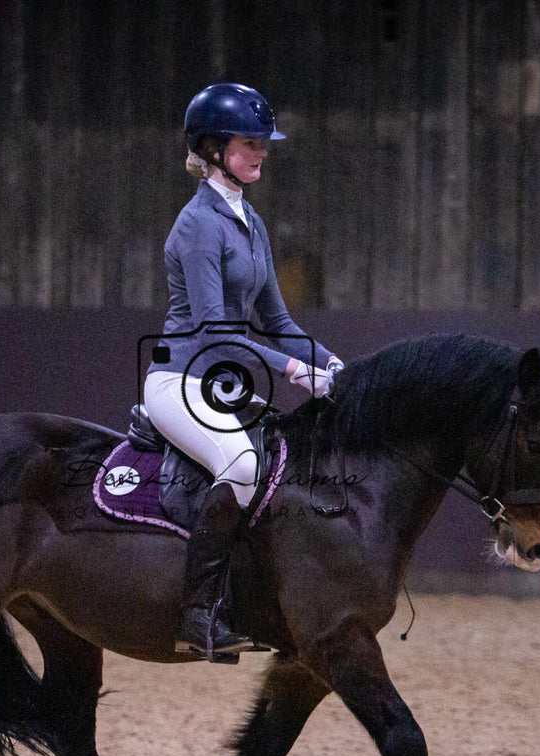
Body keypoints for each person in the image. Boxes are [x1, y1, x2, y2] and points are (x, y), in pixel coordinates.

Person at [144, 82, 342, 662]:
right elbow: (215, 335)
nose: (260, 152)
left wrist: (331, 363)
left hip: (218, 379)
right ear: (211, 147)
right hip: (180, 378)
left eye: (264, 143)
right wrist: (296, 374)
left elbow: (276, 319)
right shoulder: (199, 225)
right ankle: (197, 614)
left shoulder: (248, 221)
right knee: (242, 462)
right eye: (248, 142)